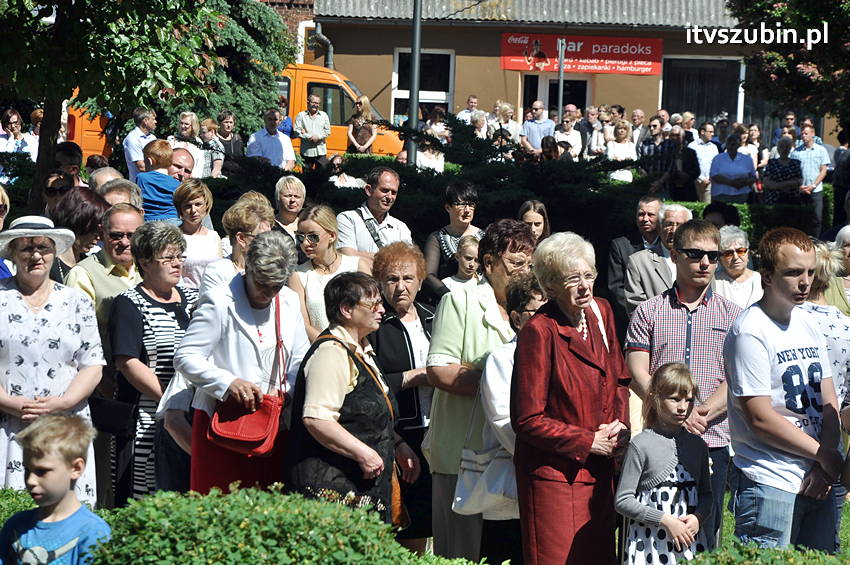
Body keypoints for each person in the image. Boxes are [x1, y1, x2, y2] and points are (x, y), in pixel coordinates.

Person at [512, 231, 630, 565]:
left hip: (600, 473)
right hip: (555, 479)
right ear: (549, 287)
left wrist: (621, 429)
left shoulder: (602, 312)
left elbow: (619, 378)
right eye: (572, 279)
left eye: (589, 275)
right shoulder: (539, 330)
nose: (584, 286)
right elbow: (527, 420)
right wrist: (587, 441)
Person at [625, 219, 741, 545]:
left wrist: (698, 413)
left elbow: (736, 377)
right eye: (694, 253)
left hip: (711, 438)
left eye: (712, 256)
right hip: (657, 441)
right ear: (674, 254)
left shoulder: (733, 316)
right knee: (655, 531)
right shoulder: (648, 312)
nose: (705, 263)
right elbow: (637, 371)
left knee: (704, 531)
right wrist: (674, 412)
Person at [425, 219, 535, 561]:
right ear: (488, 263)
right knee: (463, 553)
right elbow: (439, 370)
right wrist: (498, 384)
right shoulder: (460, 301)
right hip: (460, 453)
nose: (524, 272)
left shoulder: (535, 308)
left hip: (511, 454)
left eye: (529, 264)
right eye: (516, 263)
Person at [725, 227, 842, 551]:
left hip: (819, 477)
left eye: (809, 272)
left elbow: (829, 400)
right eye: (792, 273)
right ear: (767, 276)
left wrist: (824, 464)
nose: (804, 282)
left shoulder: (807, 322)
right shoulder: (750, 331)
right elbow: (760, 418)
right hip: (770, 481)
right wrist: (825, 455)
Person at [174, 231, 309, 493]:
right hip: (221, 423)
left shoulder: (289, 301)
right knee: (219, 511)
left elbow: (299, 359)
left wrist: (286, 392)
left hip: (272, 423)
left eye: (276, 286)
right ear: (248, 267)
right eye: (262, 284)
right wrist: (228, 383)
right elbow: (186, 356)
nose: (269, 294)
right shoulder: (218, 300)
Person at [287, 272, 420, 523]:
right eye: (373, 304)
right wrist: (365, 454)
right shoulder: (331, 352)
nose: (382, 309)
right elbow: (317, 419)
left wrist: (398, 444)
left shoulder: (363, 350)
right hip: (332, 488)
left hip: (362, 487)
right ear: (347, 309)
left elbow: (369, 414)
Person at [0, 216, 104, 507]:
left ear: (54, 251)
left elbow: (93, 363)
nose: (36, 255)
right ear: (12, 253)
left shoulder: (76, 301)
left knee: (66, 515)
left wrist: (63, 401)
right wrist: (11, 403)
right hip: (8, 424)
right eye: (27, 248)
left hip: (65, 422)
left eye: (44, 248)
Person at [109, 222, 199, 503]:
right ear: (145, 261)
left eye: (179, 256)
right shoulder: (128, 303)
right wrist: (171, 400)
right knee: (145, 498)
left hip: (190, 415)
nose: (177, 263)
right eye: (168, 257)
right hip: (145, 418)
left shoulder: (194, 300)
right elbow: (128, 362)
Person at [368, 242, 436, 553]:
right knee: (398, 524)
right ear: (380, 283)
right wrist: (414, 377)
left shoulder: (433, 318)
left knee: (424, 521)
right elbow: (368, 386)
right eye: (392, 279)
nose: (400, 287)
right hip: (399, 435)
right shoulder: (375, 325)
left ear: (421, 280)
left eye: (408, 278)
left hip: (435, 431)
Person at [476, 273, 546, 565]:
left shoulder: (559, 353)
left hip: (550, 485)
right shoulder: (502, 359)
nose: (547, 320)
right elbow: (505, 424)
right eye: (538, 313)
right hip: (510, 492)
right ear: (517, 319)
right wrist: (548, 459)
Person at [615, 363, 713, 563]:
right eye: (675, 399)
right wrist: (664, 520)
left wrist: (698, 518)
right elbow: (623, 500)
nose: (683, 407)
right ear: (655, 398)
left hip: (687, 543)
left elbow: (706, 495)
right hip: (650, 544)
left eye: (688, 400)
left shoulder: (698, 446)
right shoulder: (641, 445)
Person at [0, 414, 110, 563]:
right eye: (27, 469)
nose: (31, 480)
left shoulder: (92, 533)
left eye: (42, 471)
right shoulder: (16, 526)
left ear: (76, 468)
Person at [289, 205, 368, 342]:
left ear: (332, 236)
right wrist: (333, 346)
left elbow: (371, 312)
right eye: (300, 237)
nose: (305, 243)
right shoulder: (298, 275)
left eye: (313, 237)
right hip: (321, 351)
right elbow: (303, 324)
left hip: (360, 350)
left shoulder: (357, 266)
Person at [607, 195, 662, 341]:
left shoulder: (668, 246)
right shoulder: (620, 246)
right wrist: (640, 316)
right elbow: (616, 289)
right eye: (641, 214)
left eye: (651, 214)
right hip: (631, 322)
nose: (645, 219)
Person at [625, 204, 693, 314]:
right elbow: (635, 306)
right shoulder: (639, 261)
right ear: (660, 228)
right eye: (668, 224)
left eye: (680, 225)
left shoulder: (701, 259)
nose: (674, 230)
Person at [423, 183, 486, 301]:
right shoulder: (437, 238)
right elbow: (428, 275)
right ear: (448, 207)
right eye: (461, 205)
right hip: (448, 299)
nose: (467, 210)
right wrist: (449, 294)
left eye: (471, 205)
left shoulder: (484, 236)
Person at [200, 198, 274, 297]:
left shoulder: (272, 270)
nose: (269, 243)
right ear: (241, 239)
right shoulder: (217, 272)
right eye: (262, 237)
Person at [336, 167, 412, 260]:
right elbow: (347, 257)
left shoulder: (401, 228)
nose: (389, 197)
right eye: (384, 190)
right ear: (369, 190)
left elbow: (408, 261)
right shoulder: (348, 219)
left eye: (394, 192)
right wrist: (392, 259)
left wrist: (361, 255)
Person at [49, 187, 111, 283]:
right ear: (77, 222)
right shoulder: (48, 267)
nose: (99, 237)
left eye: (102, 231)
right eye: (94, 230)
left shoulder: (90, 265)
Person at [173, 180, 222, 289]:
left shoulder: (214, 236)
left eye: (198, 204)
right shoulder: (174, 237)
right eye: (187, 206)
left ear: (206, 205)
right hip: (187, 298)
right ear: (180, 209)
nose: (193, 210)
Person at [791, 124, 831, 236]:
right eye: (802, 134)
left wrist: (813, 185)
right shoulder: (796, 152)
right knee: (801, 219)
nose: (803, 136)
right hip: (801, 190)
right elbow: (794, 172)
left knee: (817, 219)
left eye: (806, 133)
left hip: (816, 190)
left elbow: (823, 170)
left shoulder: (821, 150)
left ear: (812, 134)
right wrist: (799, 185)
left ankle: (816, 243)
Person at [713, 225, 762, 309]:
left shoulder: (762, 280)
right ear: (720, 259)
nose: (735, 257)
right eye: (728, 253)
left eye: (740, 251)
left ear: (748, 254)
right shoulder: (714, 282)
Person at [135, 139, 181, 222]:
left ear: (149, 161)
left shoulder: (142, 178)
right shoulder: (177, 184)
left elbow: (137, 200)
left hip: (148, 220)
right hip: (173, 221)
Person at [709, 134, 756, 204]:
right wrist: (731, 183)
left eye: (734, 144)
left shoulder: (747, 159)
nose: (731, 146)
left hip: (742, 194)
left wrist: (744, 182)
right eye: (729, 144)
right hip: (721, 195)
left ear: (738, 145)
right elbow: (714, 176)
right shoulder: (718, 158)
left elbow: (753, 177)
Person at [295, 94, 331, 169]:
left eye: (317, 103)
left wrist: (318, 137)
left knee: (322, 175)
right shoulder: (301, 115)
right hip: (306, 152)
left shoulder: (324, 115)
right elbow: (296, 130)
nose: (315, 105)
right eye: (313, 102)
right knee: (307, 176)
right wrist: (309, 137)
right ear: (308, 102)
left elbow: (327, 131)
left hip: (320, 151)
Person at [272, 175, 307, 252]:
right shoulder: (268, 226)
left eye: (297, 196)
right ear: (278, 198)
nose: (292, 200)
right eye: (288, 196)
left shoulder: (308, 226)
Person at [123, 107, 157, 182]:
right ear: (145, 121)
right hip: (139, 185)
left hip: (152, 182)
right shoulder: (133, 138)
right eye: (153, 119)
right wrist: (160, 173)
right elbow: (141, 166)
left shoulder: (152, 137)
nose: (155, 122)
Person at [167, 111, 205, 179]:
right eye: (181, 123)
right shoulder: (172, 141)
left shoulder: (198, 143)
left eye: (186, 124)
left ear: (193, 126)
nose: (183, 126)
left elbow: (199, 166)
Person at [689, 122, 719, 203]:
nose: (713, 134)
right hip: (695, 183)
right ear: (702, 132)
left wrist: (709, 179)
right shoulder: (692, 146)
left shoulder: (714, 147)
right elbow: (690, 165)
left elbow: (716, 165)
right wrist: (699, 179)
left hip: (709, 183)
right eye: (710, 132)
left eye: (713, 132)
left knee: (707, 206)